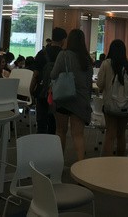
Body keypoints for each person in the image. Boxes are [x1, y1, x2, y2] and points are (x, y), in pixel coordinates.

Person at [97, 39, 128, 156]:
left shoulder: (106, 64)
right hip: (125, 106)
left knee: (110, 135)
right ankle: (120, 161)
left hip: (110, 105)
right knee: (121, 135)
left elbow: (99, 84)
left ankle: (107, 162)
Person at [50, 29, 93, 161]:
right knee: (78, 135)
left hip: (63, 97)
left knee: (60, 131)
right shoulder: (87, 59)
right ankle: (81, 166)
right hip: (80, 99)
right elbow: (89, 83)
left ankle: (59, 163)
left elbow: (53, 74)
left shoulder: (63, 55)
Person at [31, 27, 67, 135]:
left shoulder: (42, 53)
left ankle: (40, 142)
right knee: (54, 124)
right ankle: (52, 143)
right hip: (58, 93)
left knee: (41, 122)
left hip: (42, 91)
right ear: (63, 40)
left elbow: (35, 74)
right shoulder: (64, 55)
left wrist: (31, 90)